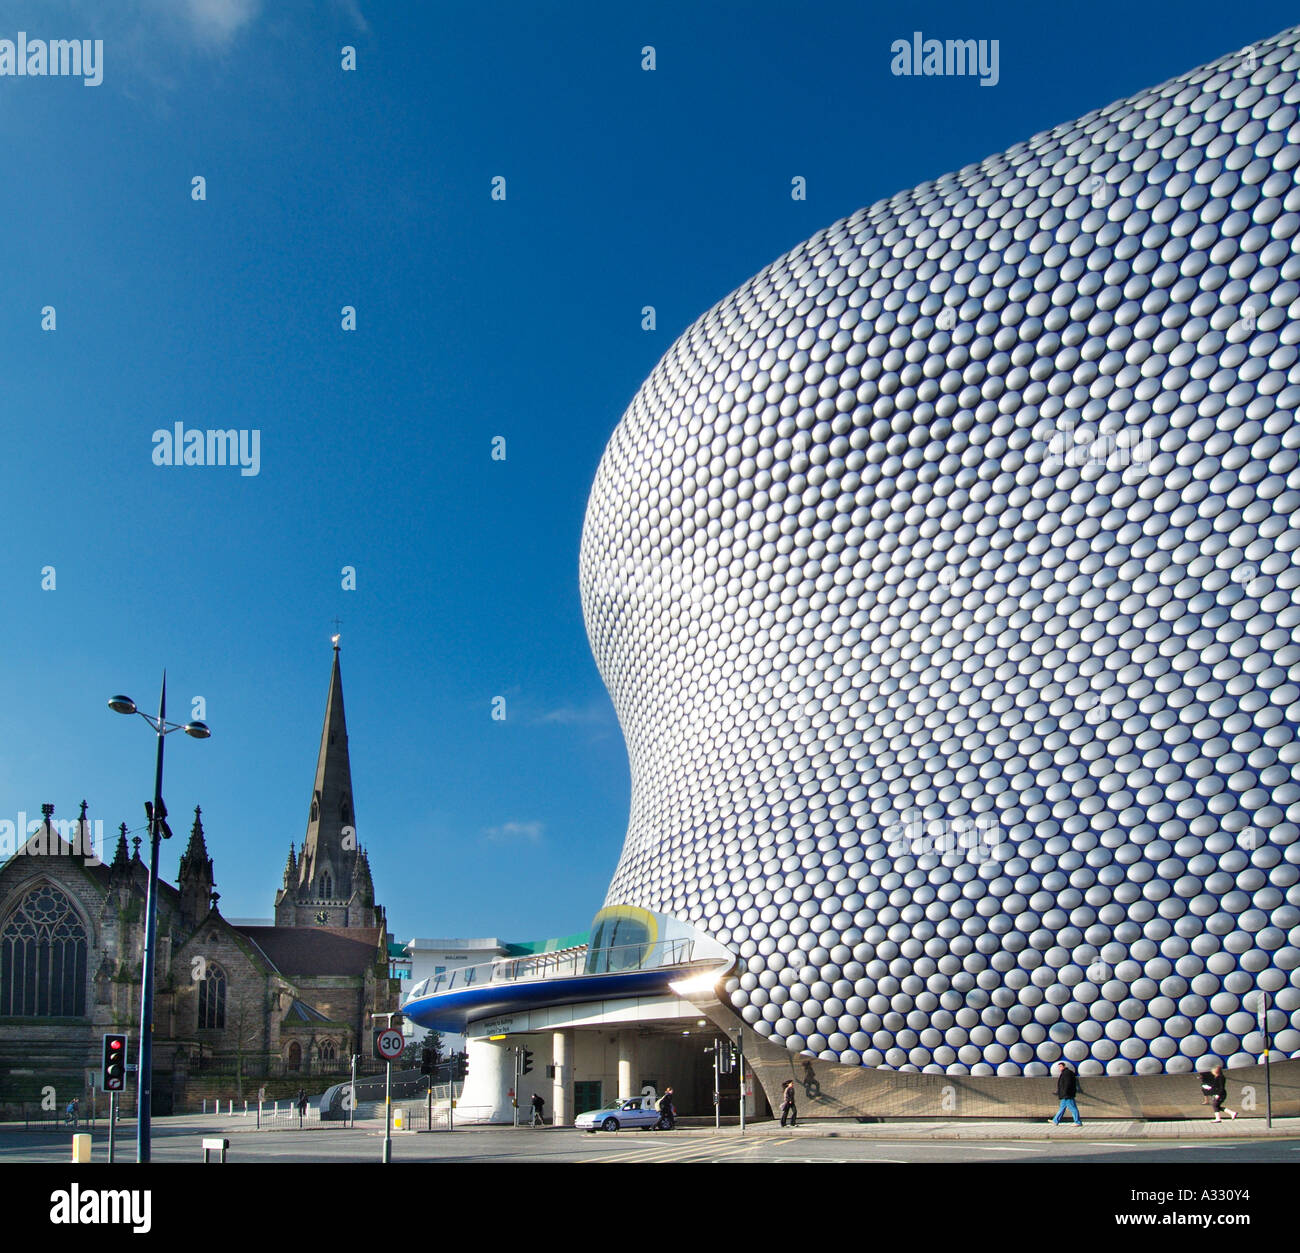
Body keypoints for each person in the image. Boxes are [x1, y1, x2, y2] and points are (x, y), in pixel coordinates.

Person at [1048, 1062, 1082, 1127]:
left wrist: (1065, 1093)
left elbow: (1067, 1084)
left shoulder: (1067, 1073)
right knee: (1062, 1108)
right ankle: (1055, 1121)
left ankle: (1077, 1122)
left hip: (1067, 1095)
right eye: (1059, 1067)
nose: (1059, 1068)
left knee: (1073, 1108)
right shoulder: (1065, 1073)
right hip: (1065, 1094)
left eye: (1060, 1066)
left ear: (1064, 1066)